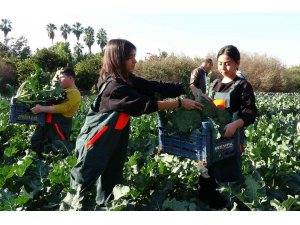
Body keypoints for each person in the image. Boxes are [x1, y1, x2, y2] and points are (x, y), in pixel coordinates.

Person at [60, 39, 203, 211]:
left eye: (134, 56)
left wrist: (187, 87)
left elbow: (153, 86)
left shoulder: (126, 80)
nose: (134, 61)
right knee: (83, 179)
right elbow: (145, 104)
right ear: (117, 59)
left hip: (115, 135)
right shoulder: (114, 86)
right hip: (97, 138)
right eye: (130, 57)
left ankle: (106, 207)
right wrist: (180, 103)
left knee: (111, 177)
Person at [198, 45, 257, 209]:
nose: (223, 67)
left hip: (230, 139)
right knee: (204, 172)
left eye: (228, 63)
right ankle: (207, 204)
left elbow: (250, 112)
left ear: (237, 63)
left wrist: (235, 124)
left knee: (227, 178)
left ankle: (230, 207)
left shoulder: (243, 85)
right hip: (210, 137)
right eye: (220, 63)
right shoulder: (215, 84)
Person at [30, 67, 81, 157]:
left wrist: (42, 108)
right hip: (46, 123)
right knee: (36, 141)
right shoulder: (61, 91)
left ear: (71, 78)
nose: (59, 80)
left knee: (56, 149)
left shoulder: (75, 93)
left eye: (61, 77)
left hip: (58, 127)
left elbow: (62, 108)